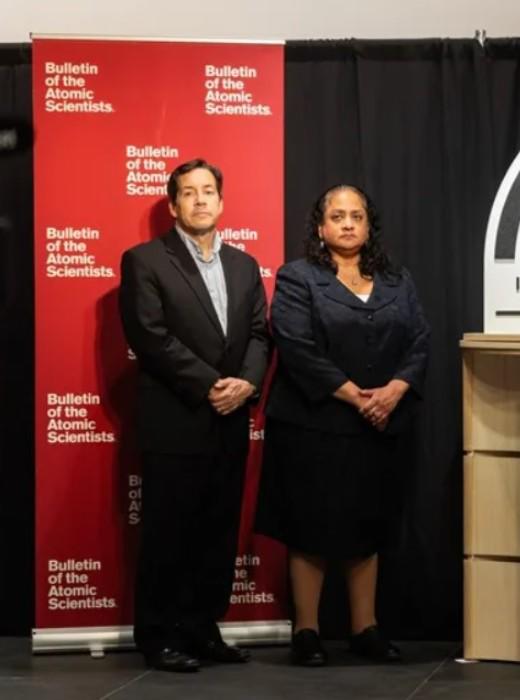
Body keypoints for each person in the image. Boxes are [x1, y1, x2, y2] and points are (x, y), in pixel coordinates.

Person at [256, 184, 430, 667]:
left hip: (380, 426)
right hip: (313, 425)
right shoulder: (297, 278)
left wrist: (396, 389)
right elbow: (296, 346)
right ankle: (307, 632)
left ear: (369, 226)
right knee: (310, 528)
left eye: (357, 216)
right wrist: (357, 396)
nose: (348, 223)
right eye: (338, 216)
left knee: (368, 528)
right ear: (320, 227)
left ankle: (365, 629)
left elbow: (420, 339)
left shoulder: (397, 280)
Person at [119, 158, 269, 672]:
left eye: (209, 191)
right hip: (176, 419)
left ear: (222, 202)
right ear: (174, 203)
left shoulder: (245, 266)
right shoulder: (144, 260)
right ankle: (159, 637)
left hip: (230, 422)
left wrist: (246, 384)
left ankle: (203, 630)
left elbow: (259, 334)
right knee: (168, 533)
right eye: (190, 192)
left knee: (217, 533)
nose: (201, 200)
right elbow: (149, 336)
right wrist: (211, 386)